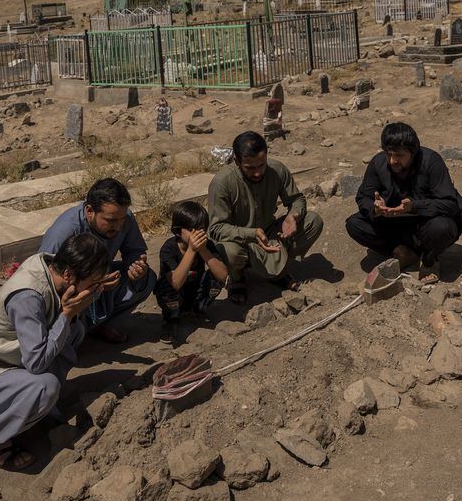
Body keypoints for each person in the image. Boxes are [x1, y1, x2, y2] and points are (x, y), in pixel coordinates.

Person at [0, 233, 110, 477]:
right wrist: (66, 315)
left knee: (74, 332)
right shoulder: (29, 296)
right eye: (93, 283)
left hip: (7, 362)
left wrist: (71, 315)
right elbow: (37, 362)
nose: (95, 289)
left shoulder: (53, 269)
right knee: (45, 386)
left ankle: (15, 414)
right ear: (69, 275)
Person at [345, 122, 462, 284]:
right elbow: (363, 197)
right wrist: (375, 208)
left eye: (399, 155)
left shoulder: (431, 162)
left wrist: (414, 207)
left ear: (412, 153)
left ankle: (429, 259)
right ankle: (404, 253)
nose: (392, 161)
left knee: (443, 227)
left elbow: (449, 204)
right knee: (354, 224)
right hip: (395, 225)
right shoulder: (378, 163)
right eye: (389, 154)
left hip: (425, 224)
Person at [207, 131, 324, 304]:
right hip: (241, 241)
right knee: (229, 252)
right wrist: (251, 233)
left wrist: (293, 216)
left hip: (271, 234)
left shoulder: (277, 170)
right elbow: (216, 229)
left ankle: (279, 270)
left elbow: (296, 199)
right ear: (237, 161)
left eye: (261, 165)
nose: (257, 173)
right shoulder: (222, 183)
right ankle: (237, 278)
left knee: (313, 221)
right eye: (250, 168)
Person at [39, 178, 154, 344]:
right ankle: (77, 329)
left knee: (146, 279)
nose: (119, 226)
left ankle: (97, 325)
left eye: (121, 220)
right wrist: (94, 286)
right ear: (90, 211)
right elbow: (48, 284)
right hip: (71, 292)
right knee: (64, 342)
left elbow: (134, 251)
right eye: (111, 221)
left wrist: (136, 266)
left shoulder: (122, 216)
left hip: (101, 283)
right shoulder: (63, 233)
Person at [156, 201, 229, 342]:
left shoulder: (207, 245)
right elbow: (175, 282)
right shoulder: (169, 249)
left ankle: (198, 311)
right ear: (178, 230)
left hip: (195, 293)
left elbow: (223, 275)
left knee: (214, 275)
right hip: (175, 297)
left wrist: (203, 250)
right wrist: (192, 250)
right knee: (167, 285)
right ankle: (171, 320)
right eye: (192, 230)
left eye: (201, 229)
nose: (198, 234)